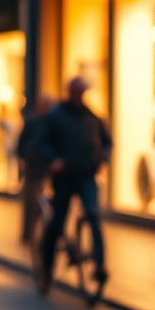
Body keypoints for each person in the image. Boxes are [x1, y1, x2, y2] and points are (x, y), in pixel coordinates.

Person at [34, 76, 112, 293]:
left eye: (82, 92)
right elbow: (41, 142)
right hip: (65, 177)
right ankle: (46, 271)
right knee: (57, 222)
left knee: (93, 216)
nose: (80, 96)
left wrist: (102, 158)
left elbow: (107, 142)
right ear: (69, 92)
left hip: (87, 175)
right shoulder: (56, 116)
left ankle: (99, 265)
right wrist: (54, 160)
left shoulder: (91, 117)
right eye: (77, 92)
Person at [17, 94, 55, 243]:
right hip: (33, 170)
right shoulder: (32, 122)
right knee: (30, 204)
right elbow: (22, 147)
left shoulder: (53, 123)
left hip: (49, 170)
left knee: (49, 205)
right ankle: (28, 235)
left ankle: (47, 234)